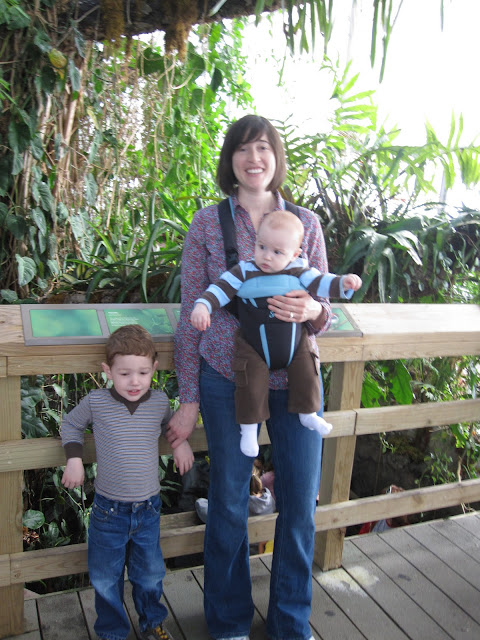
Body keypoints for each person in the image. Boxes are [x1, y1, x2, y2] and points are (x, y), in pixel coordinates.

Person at [168, 114, 334, 640]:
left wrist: (313, 309)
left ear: (276, 157)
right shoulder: (206, 224)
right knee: (228, 502)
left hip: (297, 380)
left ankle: (290, 622)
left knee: (300, 501)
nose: (253, 158)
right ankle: (228, 623)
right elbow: (189, 314)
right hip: (226, 376)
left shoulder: (306, 223)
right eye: (243, 148)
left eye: (263, 147)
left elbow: (326, 308)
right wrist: (188, 397)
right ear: (231, 160)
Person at [190, 209, 362, 456]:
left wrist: (344, 283)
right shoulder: (244, 270)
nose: (267, 256)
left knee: (307, 370)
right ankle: (249, 431)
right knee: (250, 383)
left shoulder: (300, 270)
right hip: (253, 345)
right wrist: (203, 305)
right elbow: (220, 289)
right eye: (261, 247)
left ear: (295, 254)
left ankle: (309, 413)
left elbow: (323, 283)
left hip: (294, 344)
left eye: (277, 252)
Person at [61, 324, 194, 640]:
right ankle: (112, 632)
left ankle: (152, 623)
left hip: (148, 509)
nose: (135, 381)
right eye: (124, 374)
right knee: (106, 578)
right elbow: (70, 425)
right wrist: (74, 458)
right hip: (109, 511)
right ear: (108, 371)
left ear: (154, 369)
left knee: (149, 574)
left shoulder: (159, 402)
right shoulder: (96, 402)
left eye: (143, 373)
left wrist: (180, 444)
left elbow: (171, 426)